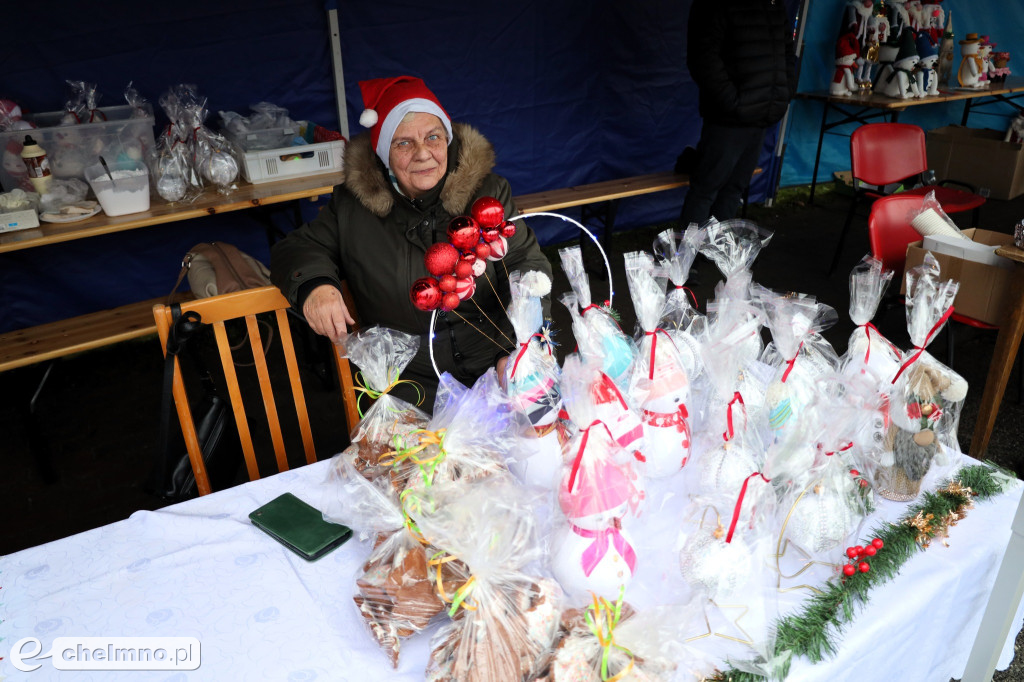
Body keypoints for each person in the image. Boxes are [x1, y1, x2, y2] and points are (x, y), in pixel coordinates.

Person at [271, 76, 551, 409]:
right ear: (383, 154)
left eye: (433, 137)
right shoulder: (352, 208)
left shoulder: (488, 195)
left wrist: (524, 349)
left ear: (447, 140)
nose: (423, 154)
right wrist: (316, 286)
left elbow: (526, 263)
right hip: (411, 386)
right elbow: (296, 249)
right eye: (403, 143)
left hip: (498, 367)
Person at [678, 0, 797, 228]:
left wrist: (784, 90)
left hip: (762, 114)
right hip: (728, 120)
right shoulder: (714, 5)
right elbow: (702, 57)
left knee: (734, 190)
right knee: (706, 189)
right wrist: (733, 103)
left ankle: (716, 255)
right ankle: (684, 260)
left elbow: (787, 51)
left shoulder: (773, 4)